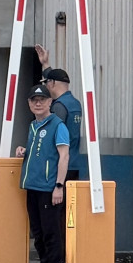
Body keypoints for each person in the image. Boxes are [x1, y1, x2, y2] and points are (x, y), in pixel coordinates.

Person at [14, 84, 69, 263]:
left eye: (42, 100)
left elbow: (64, 156)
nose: (38, 103)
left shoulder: (57, 125)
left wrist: (59, 186)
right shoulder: (33, 125)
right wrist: (23, 150)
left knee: (50, 232)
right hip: (33, 186)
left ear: (50, 102)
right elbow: (39, 152)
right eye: (34, 100)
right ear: (29, 104)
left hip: (49, 188)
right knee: (38, 232)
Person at [35, 44, 84, 180]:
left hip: (58, 168)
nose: (46, 86)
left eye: (47, 83)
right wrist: (45, 63)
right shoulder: (74, 103)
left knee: (56, 201)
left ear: (52, 84)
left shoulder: (58, 107)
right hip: (73, 163)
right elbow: (52, 77)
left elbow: (51, 136)